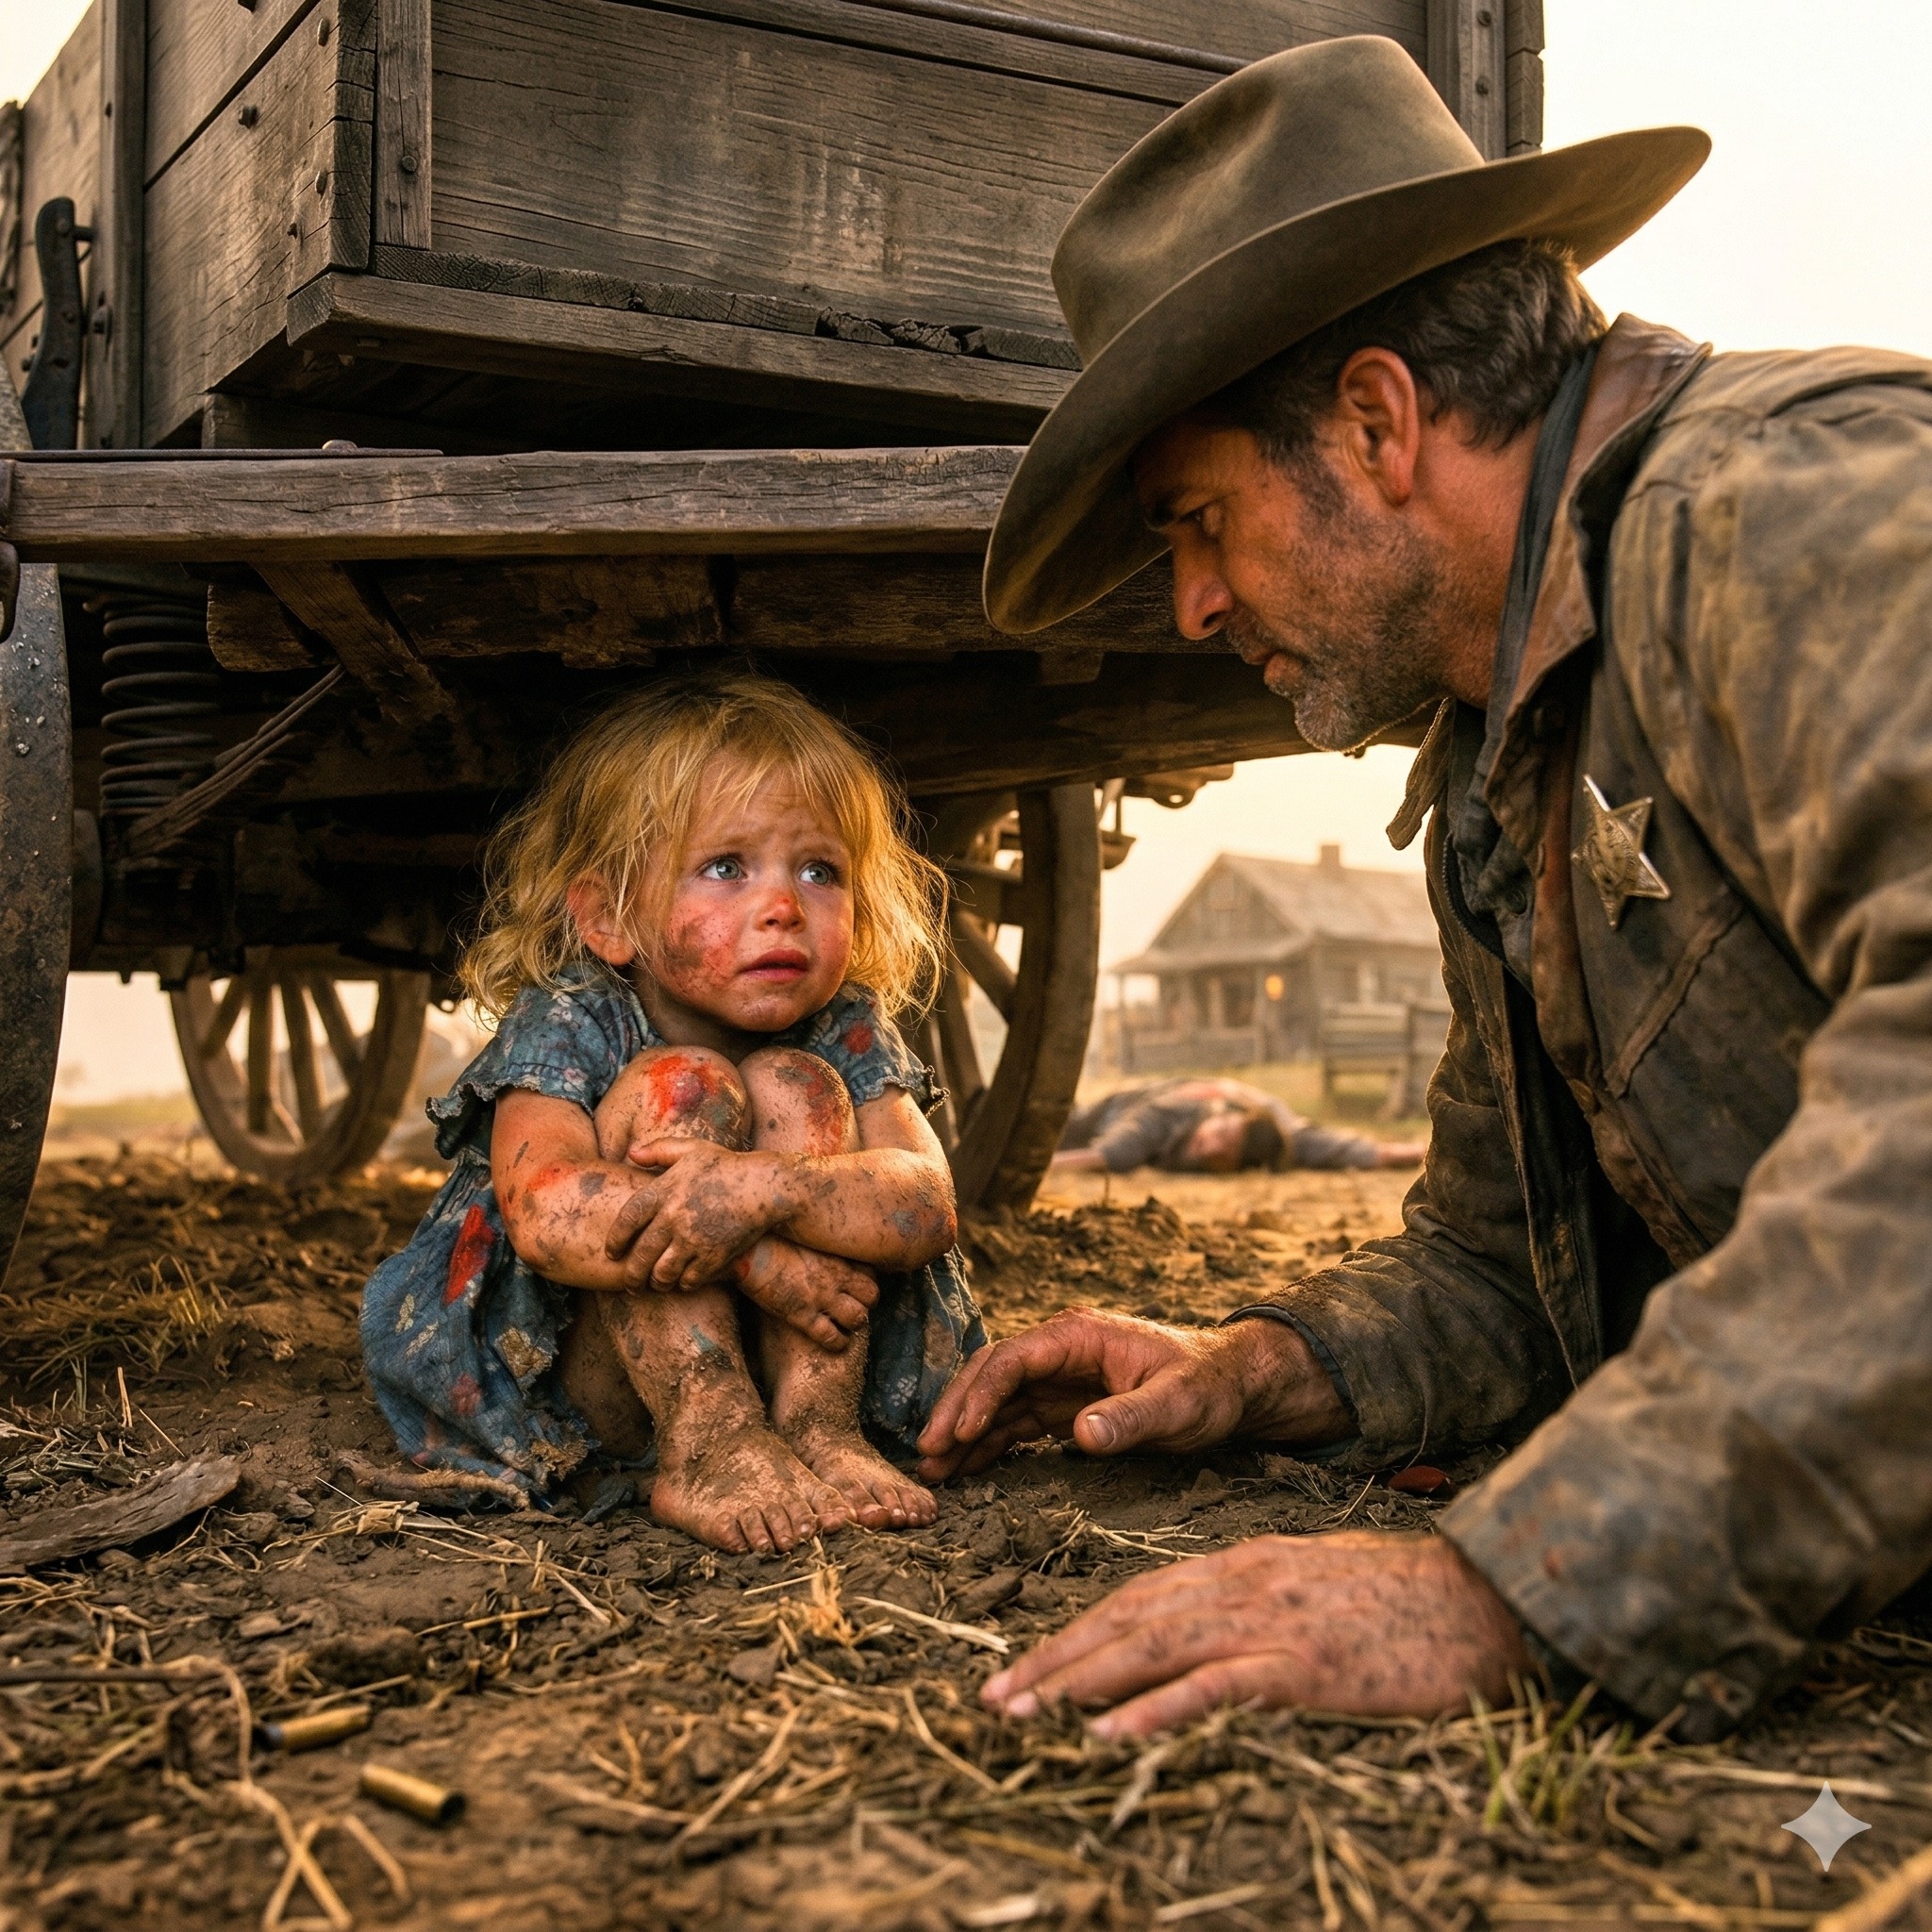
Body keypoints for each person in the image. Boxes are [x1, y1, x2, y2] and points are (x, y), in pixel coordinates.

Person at [920, 33, 1932, 1744]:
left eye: (1196, 522)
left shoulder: (1788, 511)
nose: (1187, 607)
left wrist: (1511, 1581)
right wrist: (1258, 1363)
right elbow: (1498, 1263)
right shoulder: (1494, 760)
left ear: (1377, 422)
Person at [361, 673, 983, 1554]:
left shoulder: (845, 1023)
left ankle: (818, 1429)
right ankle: (711, 1436)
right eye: (726, 868)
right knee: (683, 1084)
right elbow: (547, 1212)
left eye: (820, 870)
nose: (782, 905)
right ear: (611, 916)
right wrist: (760, 1257)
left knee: (795, 1087)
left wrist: (768, 1190)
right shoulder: (572, 1015)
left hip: (806, 1346)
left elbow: (925, 1202)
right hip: (586, 1376)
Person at [1052, 1075, 1423, 1174]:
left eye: (1225, 1156)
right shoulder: (1177, 1111)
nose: (1211, 1148)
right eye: (1222, 1135)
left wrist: (1422, 1151)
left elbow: (1348, 1149)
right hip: (1108, 1112)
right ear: (1223, 1114)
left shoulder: (1280, 1138)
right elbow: (1112, 1152)